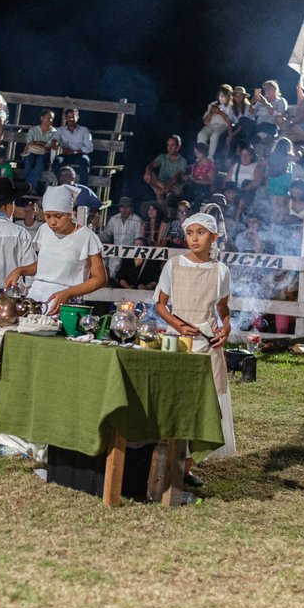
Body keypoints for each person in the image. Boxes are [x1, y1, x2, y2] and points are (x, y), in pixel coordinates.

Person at [153, 211, 237, 479]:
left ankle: (185, 467)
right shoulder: (174, 265)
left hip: (207, 341)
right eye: (190, 233)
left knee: (203, 401)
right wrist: (178, 325)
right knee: (175, 399)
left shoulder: (220, 271)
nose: (194, 238)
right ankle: (164, 460)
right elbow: (160, 304)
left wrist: (225, 327)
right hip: (177, 339)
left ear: (213, 237)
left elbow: (223, 308)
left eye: (201, 233)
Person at [5, 184, 107, 312]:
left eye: (58, 216)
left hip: (66, 301)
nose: (52, 222)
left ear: (70, 213)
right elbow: (47, 265)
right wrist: (21, 270)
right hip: (36, 297)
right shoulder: (44, 230)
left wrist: (68, 292)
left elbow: (100, 278)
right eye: (48, 216)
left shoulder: (87, 237)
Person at [100, 196, 142, 277]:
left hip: (130, 255)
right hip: (115, 253)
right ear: (119, 208)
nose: (124, 209)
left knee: (125, 277)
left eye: (127, 207)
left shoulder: (137, 220)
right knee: (111, 275)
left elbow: (138, 240)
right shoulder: (114, 219)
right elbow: (106, 235)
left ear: (131, 208)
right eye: (122, 207)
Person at [52, 108, 93, 183]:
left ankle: (82, 187)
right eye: (68, 117)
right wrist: (55, 143)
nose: (71, 119)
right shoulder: (61, 130)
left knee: (85, 161)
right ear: (65, 118)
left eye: (73, 116)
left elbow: (90, 147)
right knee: (56, 162)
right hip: (65, 154)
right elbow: (54, 140)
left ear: (77, 117)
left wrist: (75, 152)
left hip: (79, 154)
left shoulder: (84, 130)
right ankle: (62, 185)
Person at [143, 135, 188, 204]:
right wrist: (147, 171)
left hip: (174, 186)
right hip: (160, 183)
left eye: (172, 145)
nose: (169, 148)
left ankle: (162, 208)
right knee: (148, 175)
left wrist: (165, 188)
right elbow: (151, 165)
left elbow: (176, 177)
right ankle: (162, 189)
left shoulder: (182, 161)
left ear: (178, 147)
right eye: (168, 145)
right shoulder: (162, 157)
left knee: (161, 194)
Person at [22, 110, 58, 188]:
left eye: (52, 118)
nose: (51, 120)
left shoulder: (55, 132)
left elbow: (48, 146)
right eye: (48, 118)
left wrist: (36, 143)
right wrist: (41, 143)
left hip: (44, 154)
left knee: (39, 161)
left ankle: (30, 187)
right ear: (42, 118)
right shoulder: (33, 129)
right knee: (28, 160)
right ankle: (30, 187)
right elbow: (29, 142)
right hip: (31, 151)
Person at [197, 85, 235, 160]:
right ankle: (200, 156)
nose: (222, 98)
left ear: (228, 96)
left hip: (223, 126)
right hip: (210, 125)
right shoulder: (213, 104)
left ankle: (210, 157)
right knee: (201, 134)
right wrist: (211, 112)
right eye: (220, 96)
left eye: (224, 96)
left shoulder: (232, 106)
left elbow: (231, 122)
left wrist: (220, 112)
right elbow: (205, 122)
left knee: (215, 135)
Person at [187, 141, 216, 206]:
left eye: (198, 153)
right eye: (195, 153)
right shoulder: (195, 164)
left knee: (198, 195)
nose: (196, 155)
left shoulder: (210, 164)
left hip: (205, 188)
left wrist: (197, 181)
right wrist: (188, 177)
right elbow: (193, 178)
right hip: (194, 187)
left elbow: (211, 181)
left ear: (203, 152)